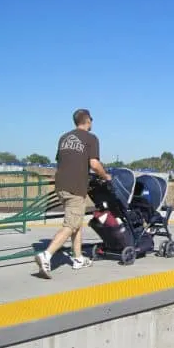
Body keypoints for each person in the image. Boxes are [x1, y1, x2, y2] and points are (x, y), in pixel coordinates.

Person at [34, 109, 111, 278]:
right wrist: (106, 176)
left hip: (61, 185)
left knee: (76, 222)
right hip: (76, 187)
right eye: (91, 119)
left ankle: (78, 258)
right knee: (70, 225)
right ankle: (46, 255)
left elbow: (61, 160)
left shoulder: (64, 137)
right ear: (88, 120)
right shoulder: (91, 138)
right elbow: (94, 164)